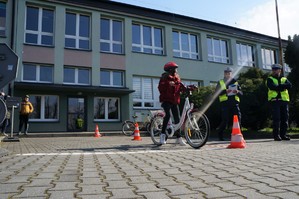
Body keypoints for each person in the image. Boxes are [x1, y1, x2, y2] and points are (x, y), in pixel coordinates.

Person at [158, 61, 186, 146]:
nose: (176, 70)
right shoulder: (164, 77)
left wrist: (187, 88)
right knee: (168, 115)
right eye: (175, 68)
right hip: (166, 100)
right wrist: (167, 84)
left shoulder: (177, 77)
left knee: (177, 119)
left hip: (174, 100)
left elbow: (180, 87)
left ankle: (178, 138)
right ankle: (162, 135)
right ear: (171, 69)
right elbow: (160, 87)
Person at [266, 64, 292, 141]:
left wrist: (279, 86)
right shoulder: (269, 79)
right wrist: (283, 87)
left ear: (280, 70)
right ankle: (276, 136)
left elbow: (289, 85)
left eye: (276, 69)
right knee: (276, 119)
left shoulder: (284, 79)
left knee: (285, 119)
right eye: (273, 70)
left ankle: (283, 135)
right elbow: (272, 87)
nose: (274, 71)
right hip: (275, 101)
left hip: (284, 101)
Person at [216, 67, 242, 141]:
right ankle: (220, 135)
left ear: (231, 74)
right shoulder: (220, 82)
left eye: (229, 73)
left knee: (238, 119)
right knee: (225, 120)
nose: (227, 75)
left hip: (234, 103)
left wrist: (237, 92)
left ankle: (238, 135)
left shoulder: (235, 82)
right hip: (225, 103)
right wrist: (225, 91)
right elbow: (216, 93)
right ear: (224, 74)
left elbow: (241, 93)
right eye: (226, 73)